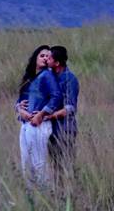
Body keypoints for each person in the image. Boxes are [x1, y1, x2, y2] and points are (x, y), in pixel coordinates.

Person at [16, 45, 62, 187]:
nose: (45, 58)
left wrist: (42, 114)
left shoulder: (47, 75)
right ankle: (31, 199)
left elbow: (56, 96)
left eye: (48, 56)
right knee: (26, 164)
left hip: (39, 125)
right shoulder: (29, 78)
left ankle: (47, 197)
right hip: (25, 125)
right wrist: (18, 109)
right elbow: (20, 100)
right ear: (35, 57)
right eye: (42, 55)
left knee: (39, 164)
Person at [46, 45, 80, 173]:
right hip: (51, 130)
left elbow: (70, 108)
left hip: (64, 130)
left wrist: (50, 116)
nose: (46, 60)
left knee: (65, 166)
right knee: (54, 167)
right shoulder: (50, 77)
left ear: (57, 63)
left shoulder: (70, 79)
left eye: (49, 58)